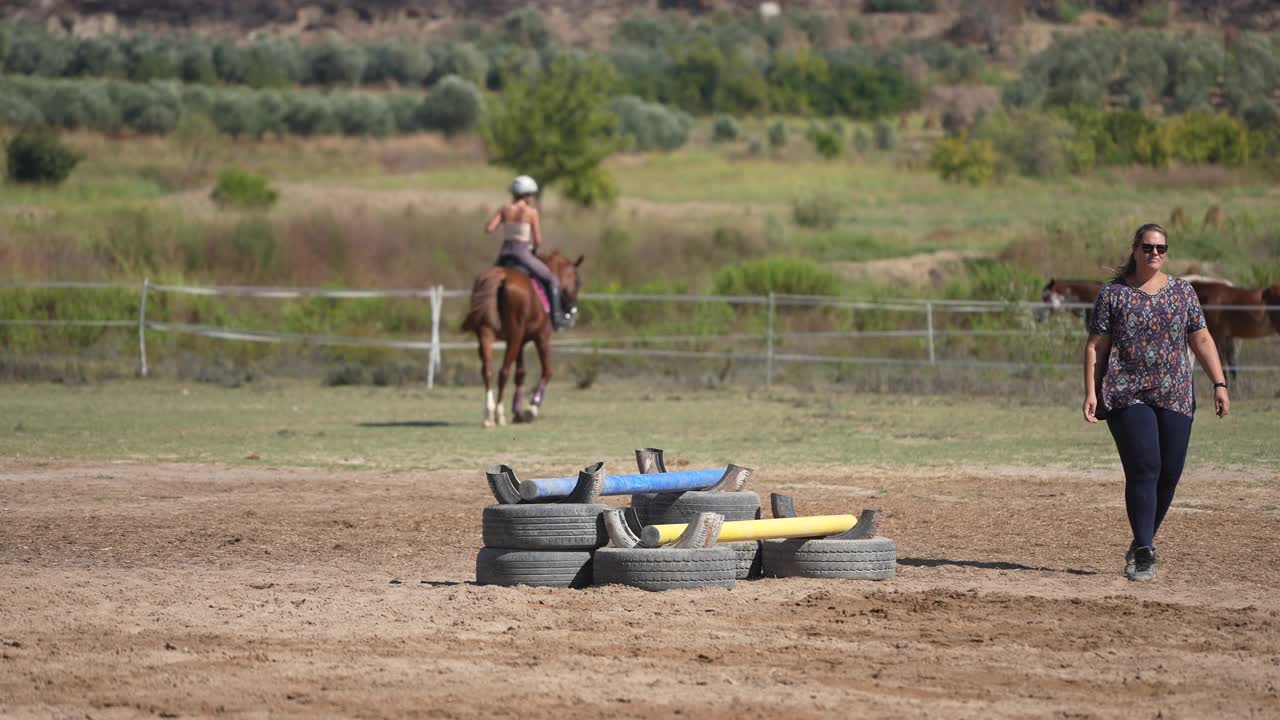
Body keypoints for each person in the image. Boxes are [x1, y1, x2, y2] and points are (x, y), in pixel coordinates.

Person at [1082, 223, 1230, 582]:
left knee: (1169, 473)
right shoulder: (1113, 294)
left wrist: (1219, 383)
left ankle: (1140, 540)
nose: (1154, 254)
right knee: (1145, 466)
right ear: (1135, 249)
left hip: (1175, 391)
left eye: (1161, 248)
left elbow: (1203, 339)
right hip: (1125, 391)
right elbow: (1096, 347)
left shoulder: (1182, 292)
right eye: (1148, 247)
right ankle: (1146, 552)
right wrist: (1091, 390)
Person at [484, 175, 569, 330]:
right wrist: (534, 250)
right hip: (522, 254)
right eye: (532, 194)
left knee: (489, 283)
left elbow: (489, 229)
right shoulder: (531, 212)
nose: (532, 197)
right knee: (552, 280)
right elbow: (537, 240)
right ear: (527, 194)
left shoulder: (504, 209)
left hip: (504, 254)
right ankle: (557, 319)